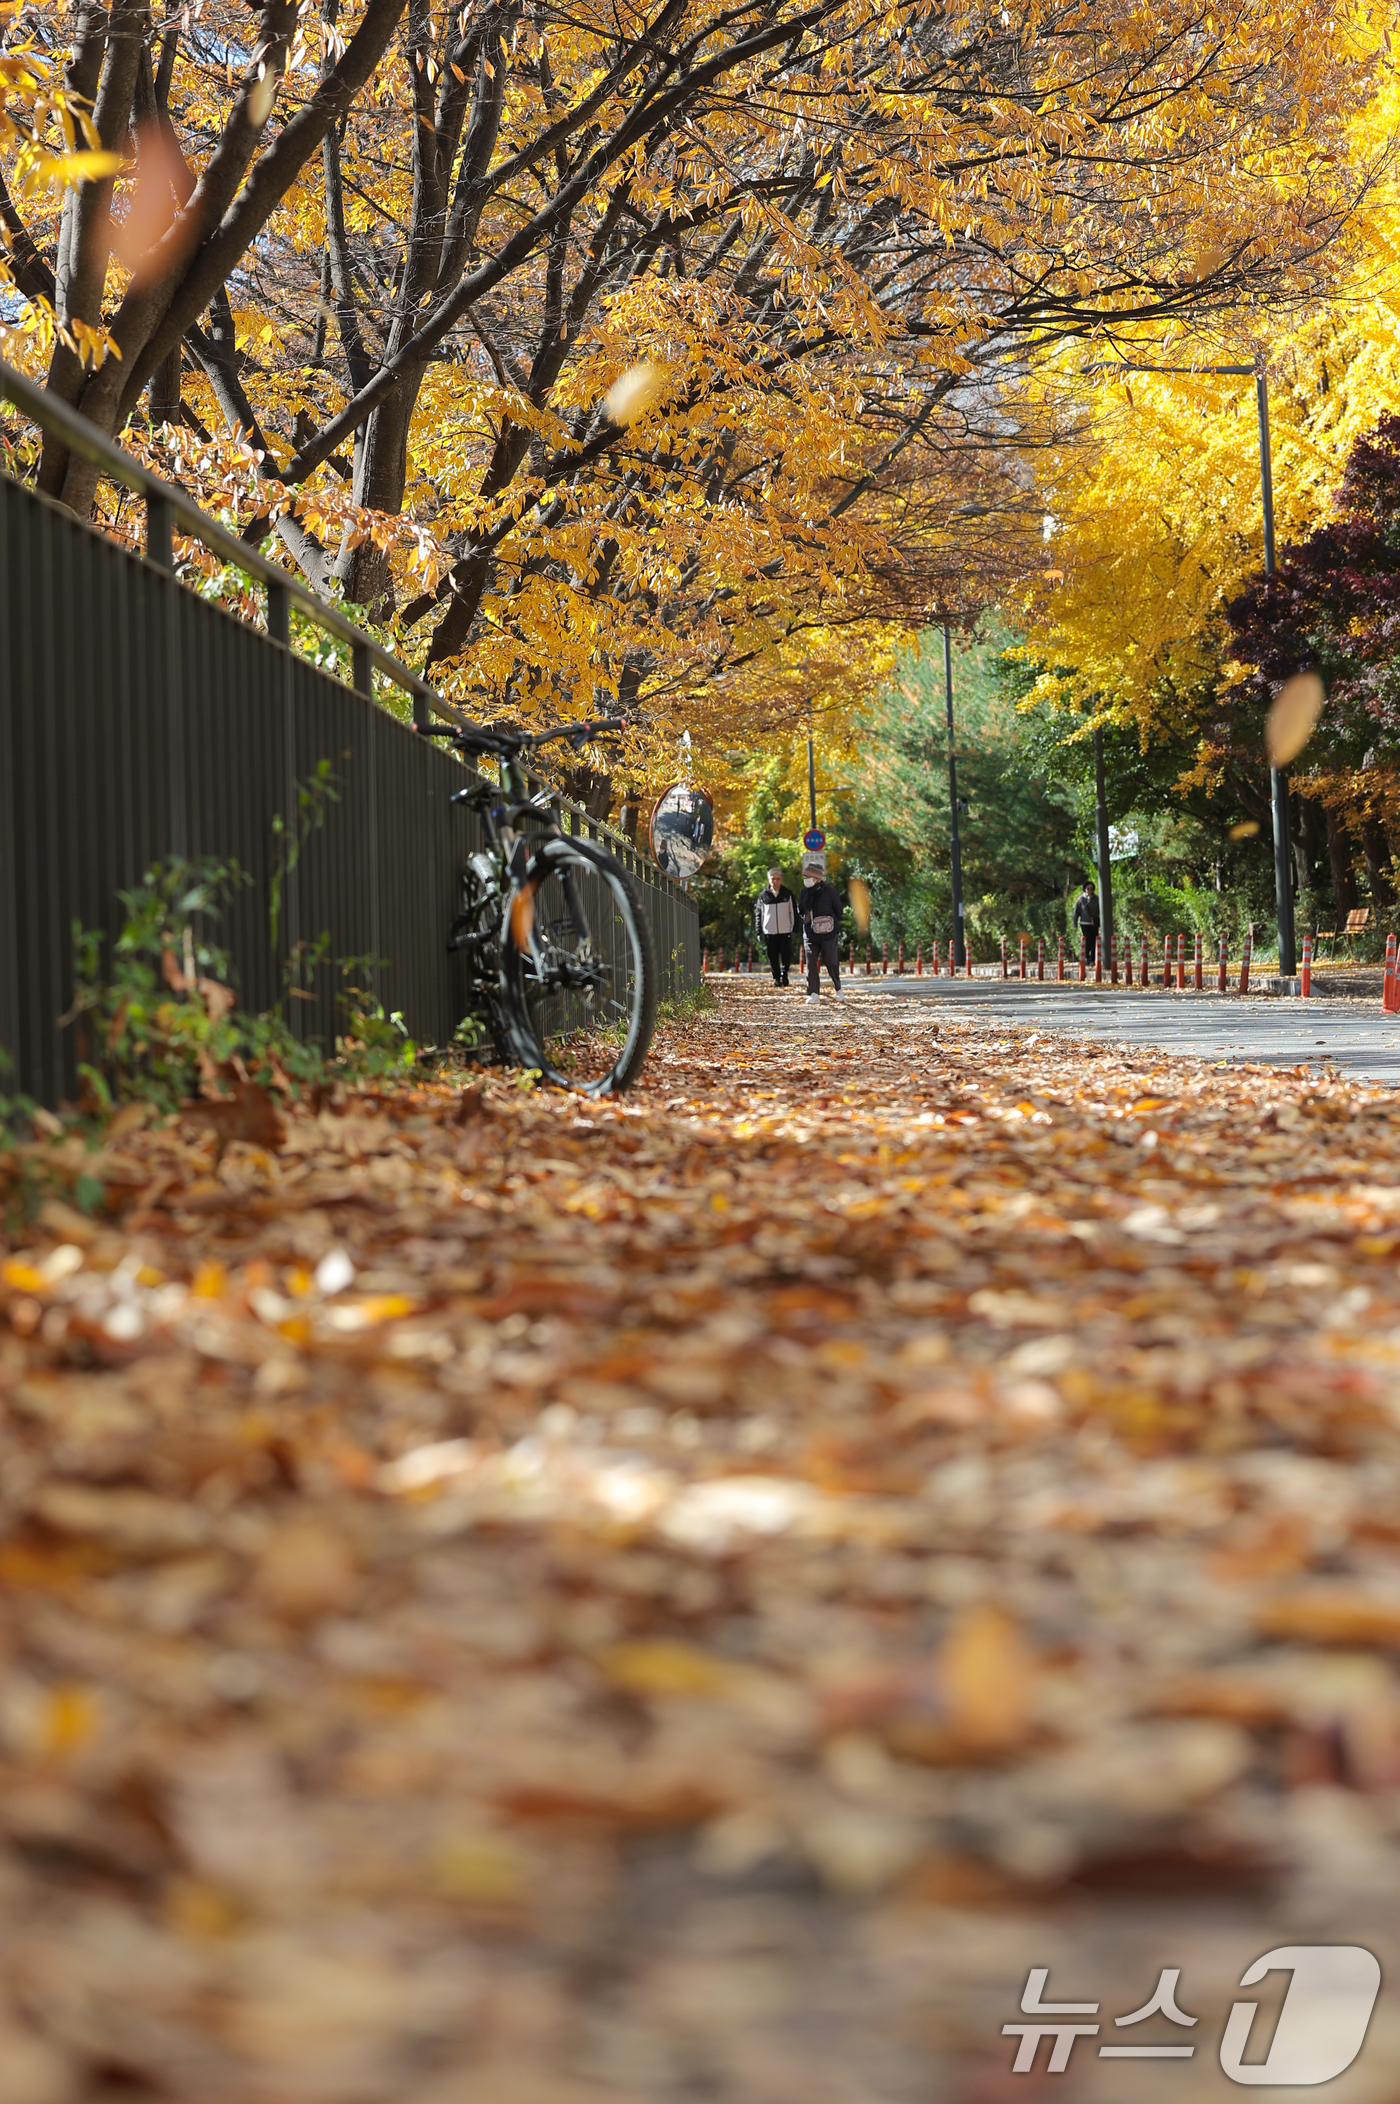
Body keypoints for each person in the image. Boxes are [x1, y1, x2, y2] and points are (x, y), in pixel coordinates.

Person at [798, 857, 843, 1002]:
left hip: (829, 933)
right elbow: (800, 910)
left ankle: (838, 988)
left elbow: (839, 911)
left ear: (817, 878)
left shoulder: (830, 892)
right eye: (805, 876)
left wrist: (828, 922)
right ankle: (814, 993)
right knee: (811, 963)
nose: (806, 879)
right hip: (810, 934)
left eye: (809, 876)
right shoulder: (804, 893)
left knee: (831, 961)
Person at [754, 867, 796, 986]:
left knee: (786, 954)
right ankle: (777, 978)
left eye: (778, 879)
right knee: (772, 956)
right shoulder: (763, 895)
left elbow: (793, 912)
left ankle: (785, 974)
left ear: (781, 879)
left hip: (785, 930)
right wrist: (759, 931)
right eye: (773, 879)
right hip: (769, 931)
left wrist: (794, 930)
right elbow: (759, 914)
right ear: (769, 879)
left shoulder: (788, 894)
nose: (776, 882)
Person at [1072, 878, 1100, 964]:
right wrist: (1075, 922)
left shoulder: (1096, 898)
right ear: (1085, 889)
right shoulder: (1081, 899)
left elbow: (1100, 910)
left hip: (1094, 923)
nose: (1090, 890)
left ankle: (1093, 959)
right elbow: (1076, 912)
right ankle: (1086, 957)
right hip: (1084, 923)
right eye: (1088, 888)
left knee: (1094, 940)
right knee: (1087, 940)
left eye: (1091, 888)